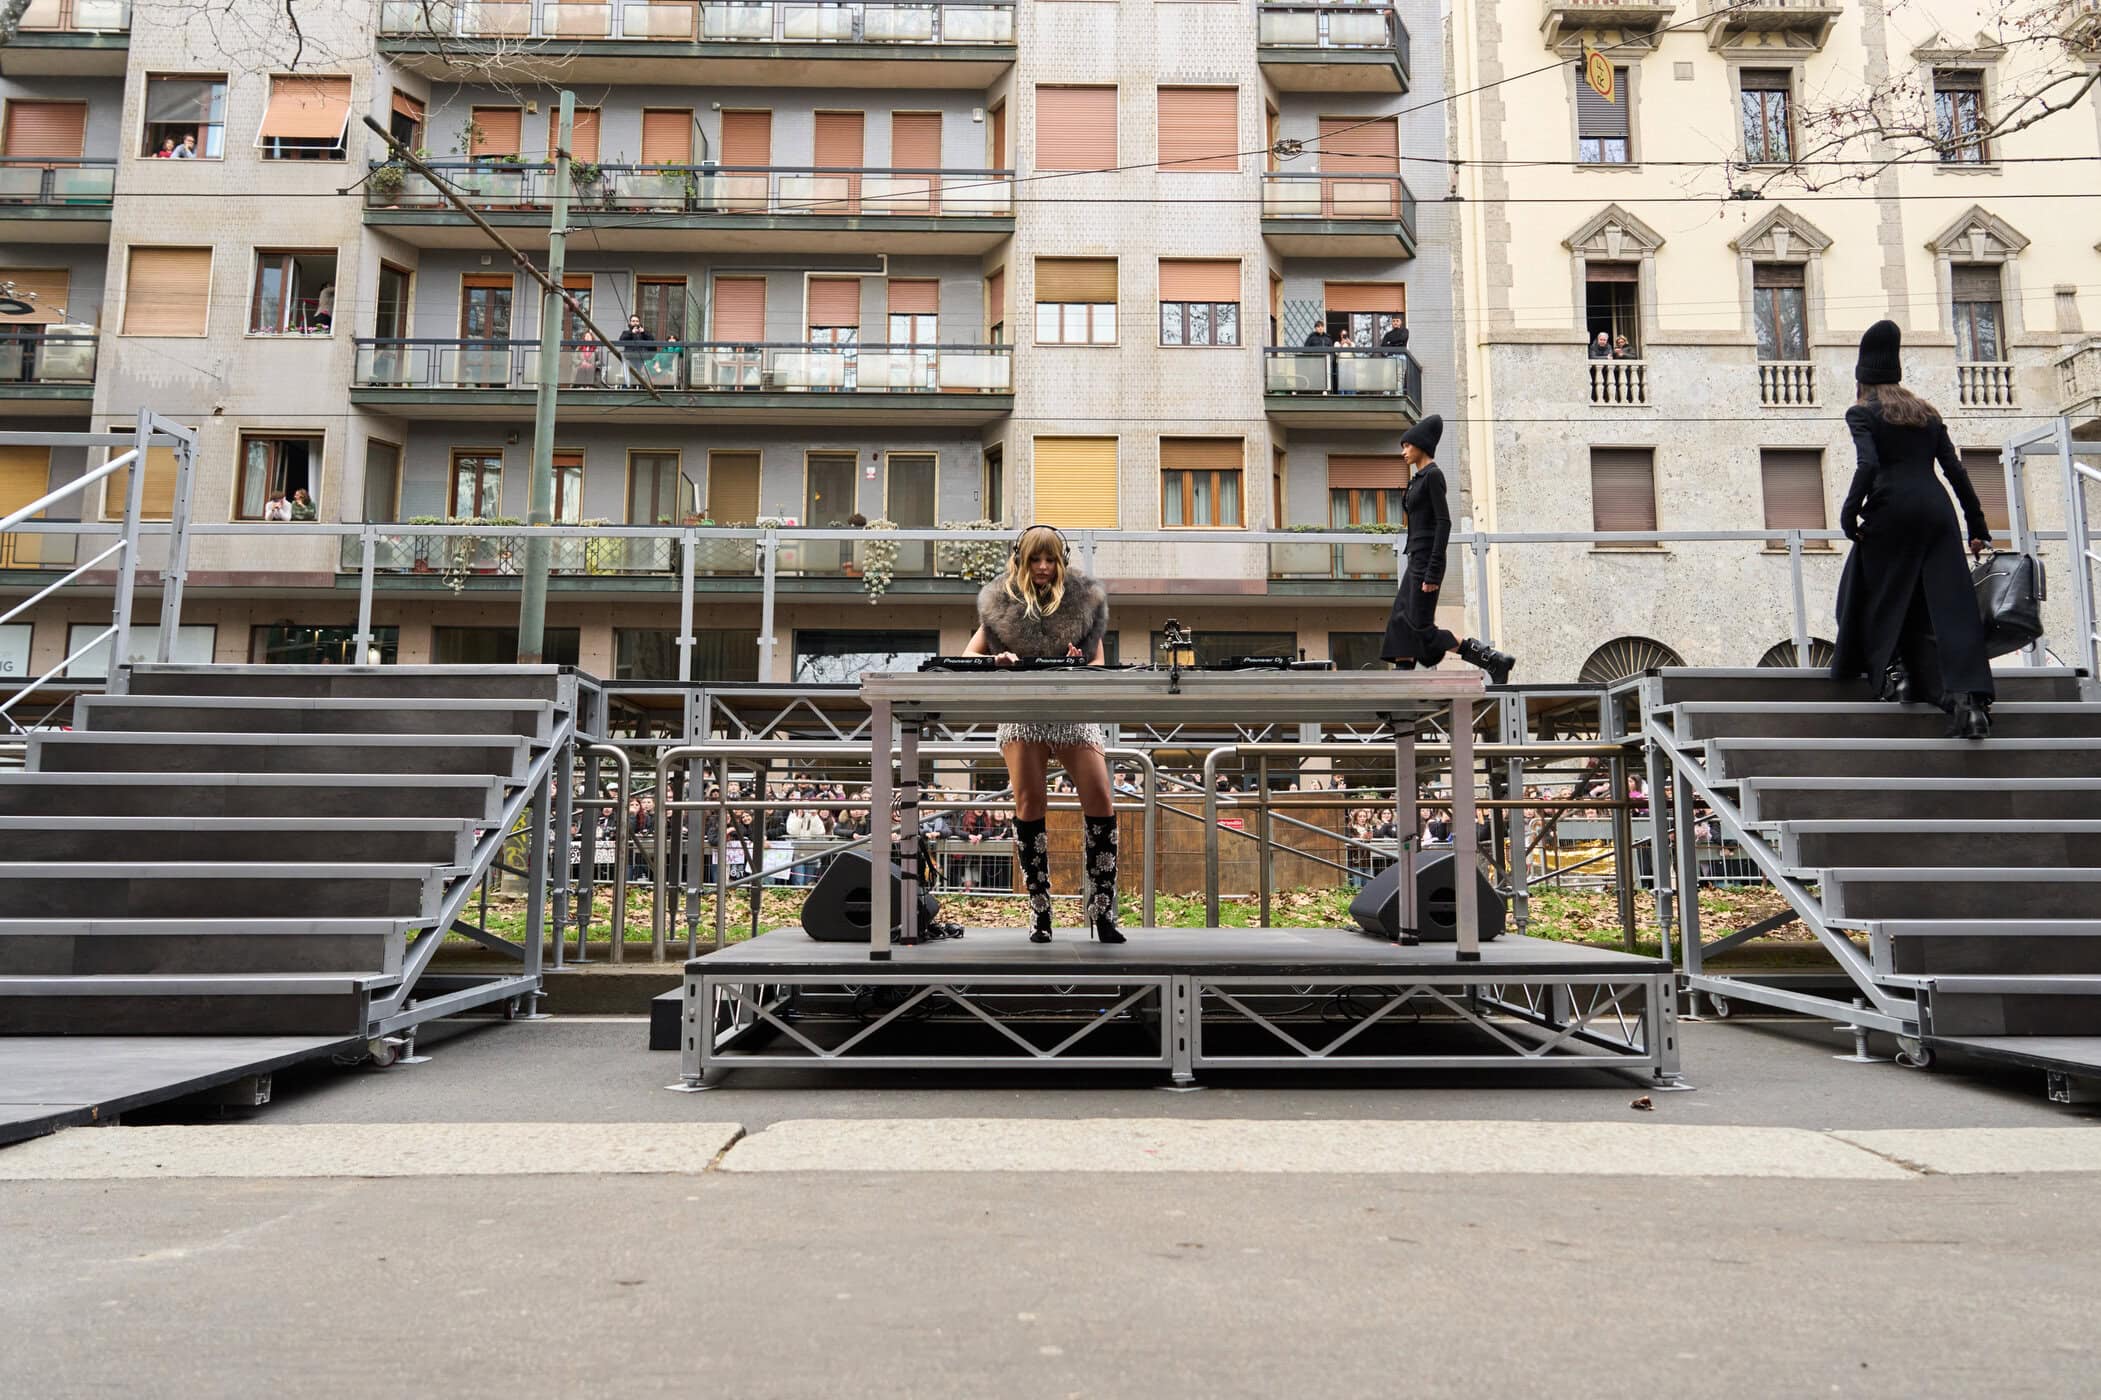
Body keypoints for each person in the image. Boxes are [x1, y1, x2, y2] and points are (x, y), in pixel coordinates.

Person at [1832, 319, 1996, 739]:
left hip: (1892, 512)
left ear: (1862, 377)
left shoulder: (1862, 412)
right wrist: (1977, 525)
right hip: (1938, 512)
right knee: (1951, 607)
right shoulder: (1926, 413)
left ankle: (1894, 672)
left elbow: (1867, 465)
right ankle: (1969, 703)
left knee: (1871, 593)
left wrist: (1850, 516)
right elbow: (1955, 470)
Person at [963, 524, 1122, 944]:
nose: (1044, 567)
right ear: (1021, 560)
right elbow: (968, 656)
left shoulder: (1084, 604)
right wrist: (997, 658)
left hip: (1072, 711)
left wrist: (1078, 662)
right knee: (1030, 803)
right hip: (1022, 712)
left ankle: (1102, 911)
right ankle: (1040, 912)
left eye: (1051, 559)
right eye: (1036, 559)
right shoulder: (1002, 605)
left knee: (1101, 798)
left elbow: (1098, 666)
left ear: (1062, 561)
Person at [1378, 414, 1516, 683]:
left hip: (1428, 562)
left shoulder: (1433, 476)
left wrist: (1433, 571)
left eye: (1407, 446)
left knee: (1419, 626)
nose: (1403, 452)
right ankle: (1403, 675)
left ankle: (1493, 660)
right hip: (1415, 558)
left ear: (1421, 445)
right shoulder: (1417, 478)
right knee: (1400, 621)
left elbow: (1444, 522)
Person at [618, 314, 653, 386]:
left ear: (639, 322)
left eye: (637, 321)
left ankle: (640, 389)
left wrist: (644, 333)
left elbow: (652, 341)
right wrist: (631, 333)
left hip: (641, 358)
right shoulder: (626, 332)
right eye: (633, 321)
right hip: (629, 358)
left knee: (641, 376)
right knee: (627, 375)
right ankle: (626, 389)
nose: (635, 323)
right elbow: (621, 340)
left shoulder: (644, 333)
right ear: (630, 322)